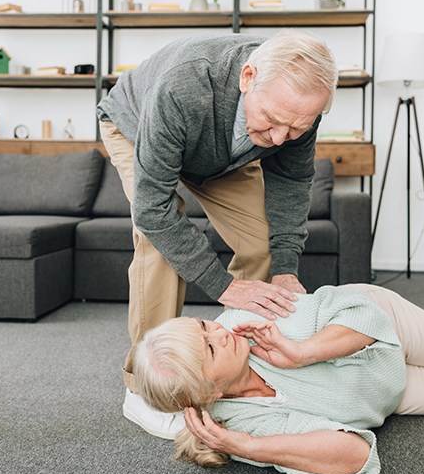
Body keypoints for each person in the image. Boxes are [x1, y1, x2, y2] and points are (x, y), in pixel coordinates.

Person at [96, 30, 338, 438]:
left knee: (261, 244)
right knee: (161, 246)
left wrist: (284, 268)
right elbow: (155, 211)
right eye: (274, 121)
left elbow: (292, 186)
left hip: (222, 151)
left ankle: (238, 365)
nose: (281, 139)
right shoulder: (185, 86)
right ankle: (142, 387)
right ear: (247, 78)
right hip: (136, 125)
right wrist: (225, 287)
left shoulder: (296, 111)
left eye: (296, 129)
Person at [132, 284, 424, 474]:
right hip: (384, 392)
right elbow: (355, 455)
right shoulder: (238, 422)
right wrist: (250, 447)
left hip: (382, 327)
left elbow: (361, 315)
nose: (221, 332)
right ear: (210, 395)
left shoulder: (247, 321)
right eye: (210, 349)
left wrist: (301, 352)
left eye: (204, 325)